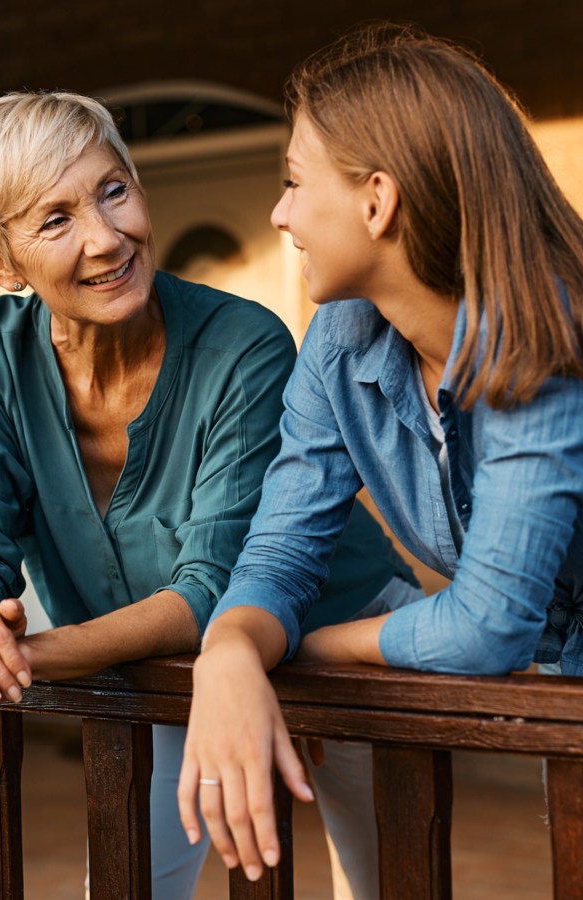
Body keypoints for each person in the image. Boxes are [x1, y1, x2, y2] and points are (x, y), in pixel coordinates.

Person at [0, 90, 417, 899]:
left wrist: (0, 670)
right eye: (55, 220)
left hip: (344, 650)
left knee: (384, 887)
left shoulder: (244, 343)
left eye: (113, 190)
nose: (106, 237)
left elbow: (206, 591)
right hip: (154, 675)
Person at [178, 23, 583, 885]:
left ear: (377, 201)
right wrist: (233, 655)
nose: (280, 214)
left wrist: (311, 646)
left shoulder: (545, 334)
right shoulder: (340, 341)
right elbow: (280, 551)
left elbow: (486, 627)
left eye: (292, 182)